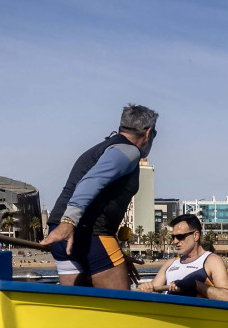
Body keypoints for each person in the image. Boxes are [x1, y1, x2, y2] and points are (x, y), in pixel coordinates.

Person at [40, 104, 158, 289]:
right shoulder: (128, 151)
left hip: (62, 237)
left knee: (77, 309)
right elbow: (91, 182)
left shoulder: (102, 149)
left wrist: (115, 254)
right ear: (148, 132)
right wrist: (69, 221)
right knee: (120, 310)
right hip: (88, 234)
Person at [138, 215, 228, 301]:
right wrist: (146, 288)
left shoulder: (212, 261)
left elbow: (227, 298)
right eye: (173, 237)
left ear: (195, 235)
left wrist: (196, 285)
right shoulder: (170, 263)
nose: (175, 241)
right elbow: (153, 289)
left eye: (180, 236)